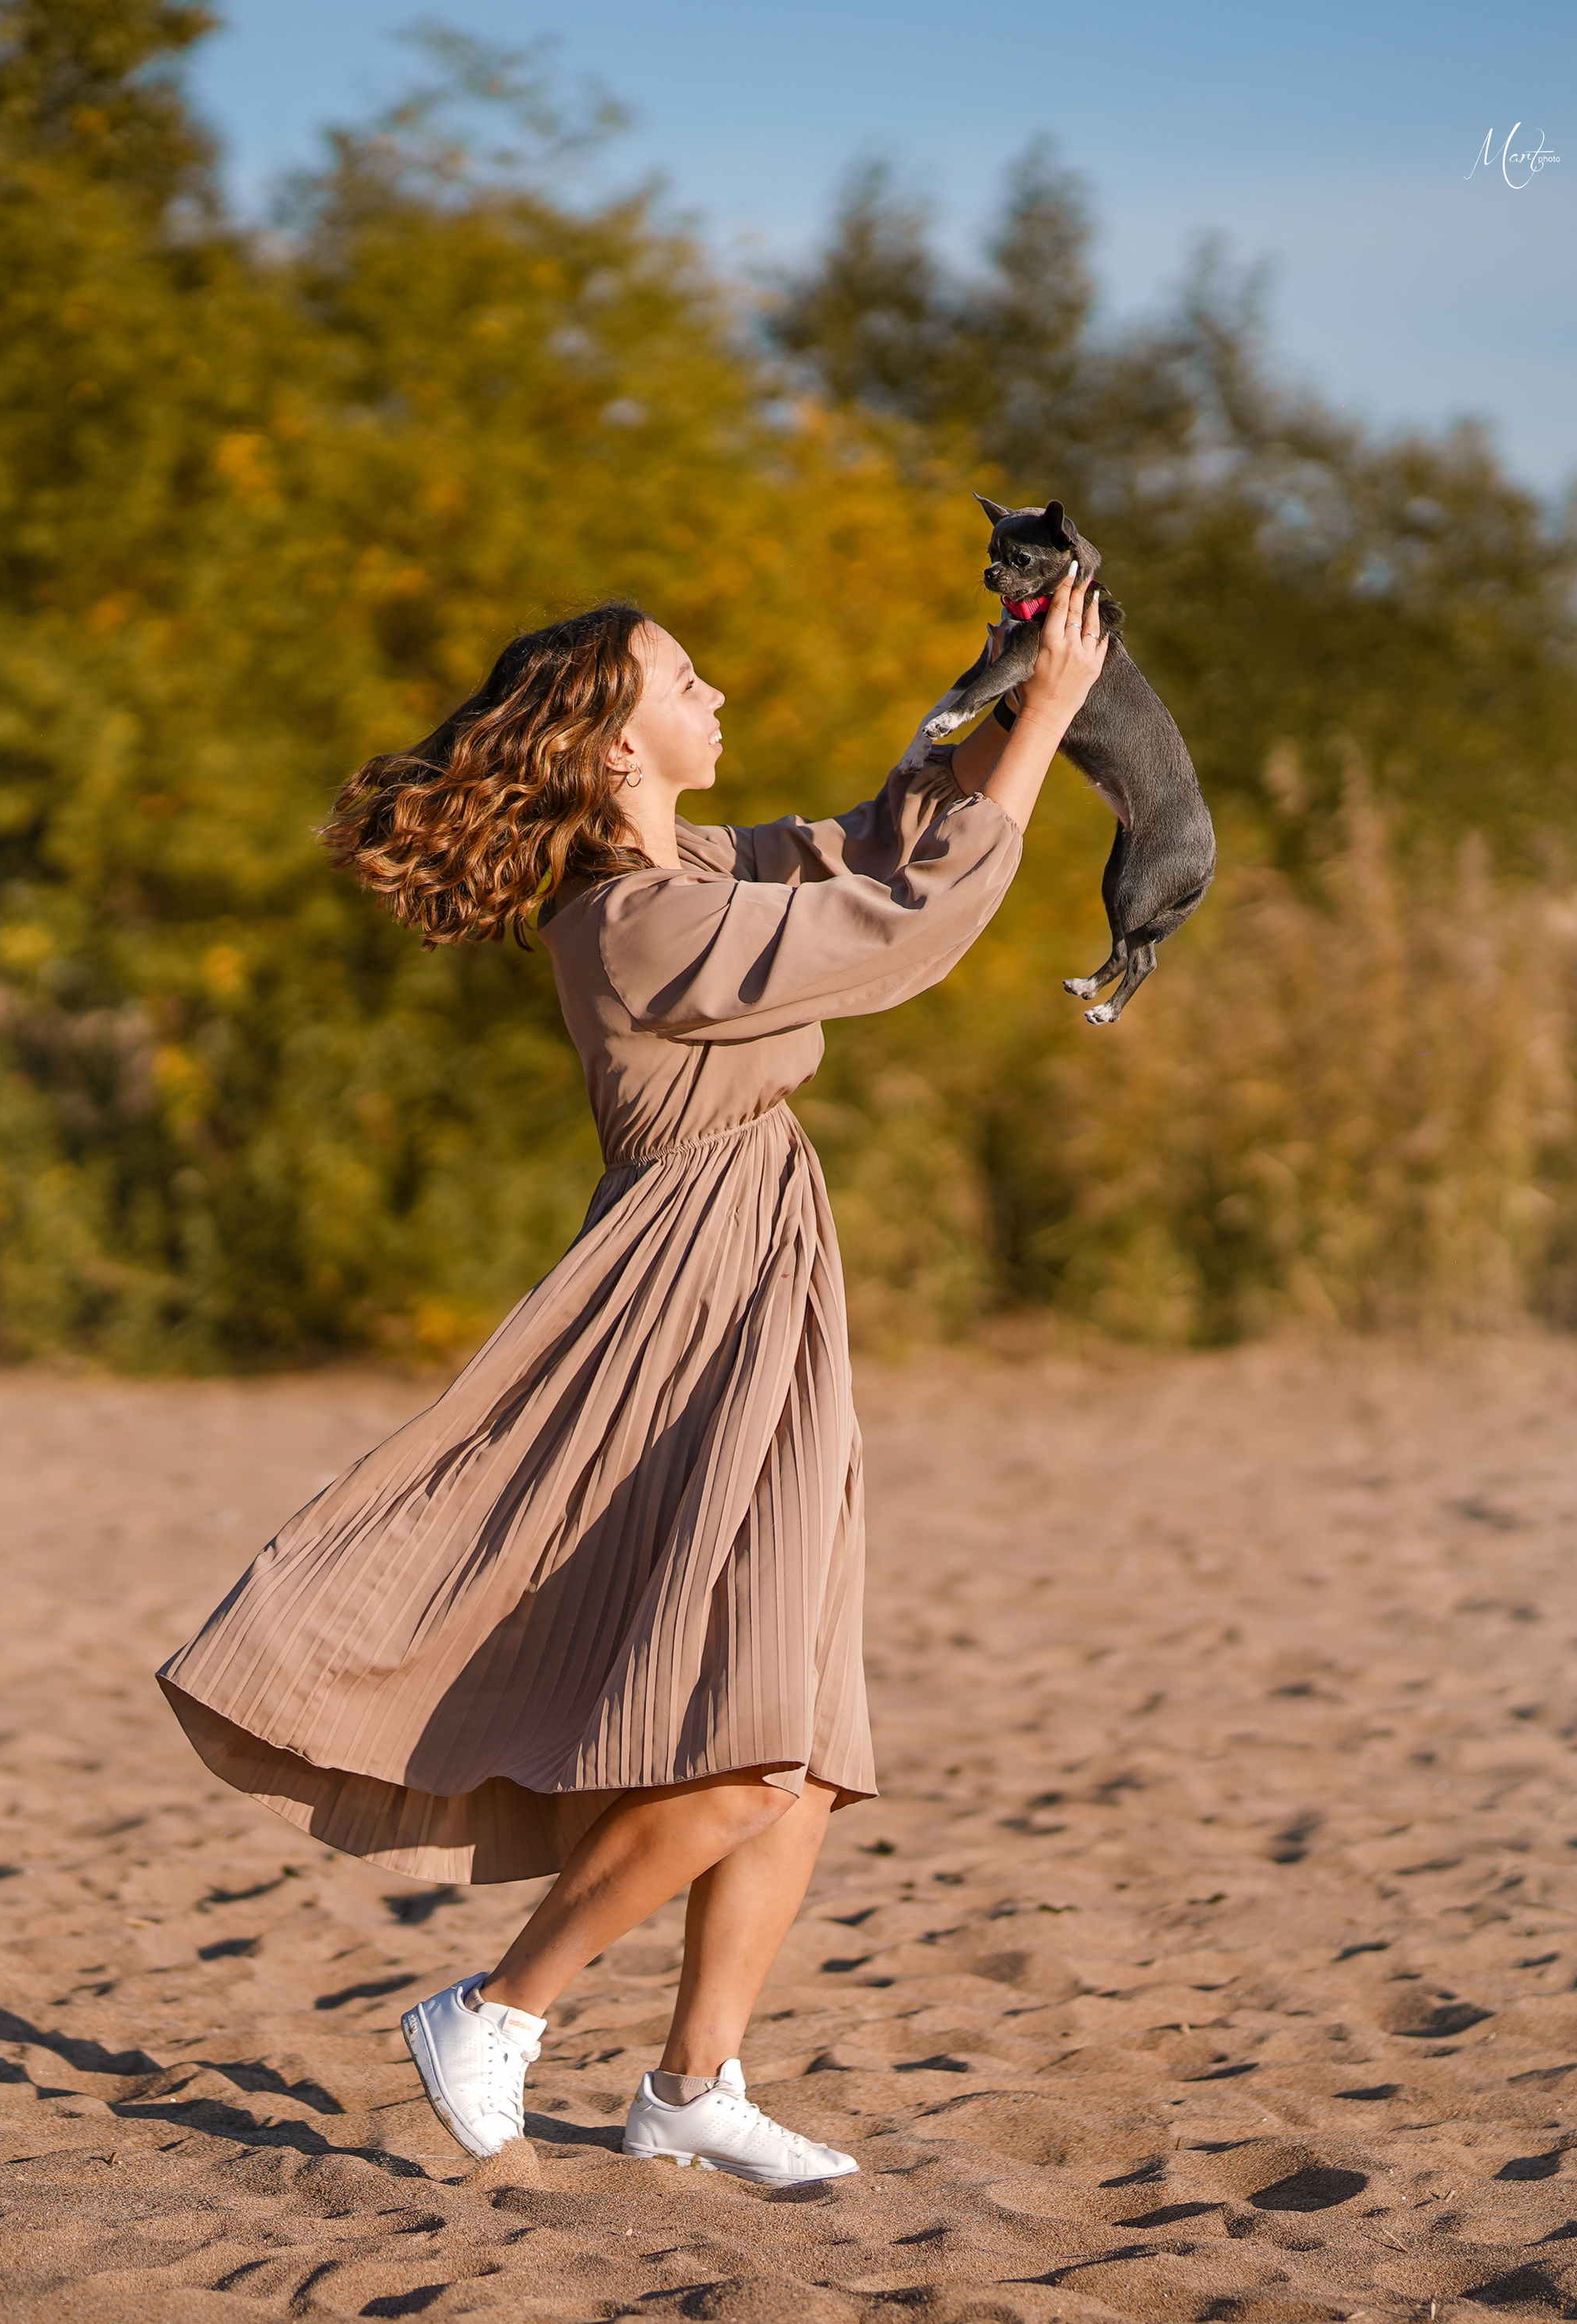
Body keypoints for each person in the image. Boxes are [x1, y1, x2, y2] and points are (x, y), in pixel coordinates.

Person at [159, 567, 1110, 2184]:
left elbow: (871, 840)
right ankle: (497, 2006)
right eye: (685, 679)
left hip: (765, 1282)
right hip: (682, 1304)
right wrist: (1052, 736)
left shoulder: (703, 868)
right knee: (744, 1746)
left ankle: (691, 2088)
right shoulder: (636, 917)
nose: (715, 697)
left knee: (800, 1742)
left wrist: (1005, 691)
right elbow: (906, 924)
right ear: (614, 747)